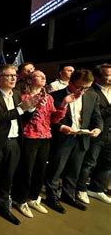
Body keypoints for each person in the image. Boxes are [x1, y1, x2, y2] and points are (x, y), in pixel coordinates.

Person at [0, 65, 39, 226]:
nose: (13, 78)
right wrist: (21, 109)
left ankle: (3, 206)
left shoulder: (18, 94)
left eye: (14, 75)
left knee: (8, 177)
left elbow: (22, 119)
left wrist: (31, 108)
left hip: (14, 142)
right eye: (8, 75)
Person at [12, 70, 70, 217]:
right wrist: (35, 106)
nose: (44, 78)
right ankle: (20, 199)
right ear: (29, 80)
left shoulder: (48, 97)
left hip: (45, 136)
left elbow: (54, 119)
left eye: (45, 76)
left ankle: (33, 198)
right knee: (26, 170)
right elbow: (21, 118)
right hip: (29, 136)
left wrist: (64, 104)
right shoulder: (23, 96)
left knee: (40, 170)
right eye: (39, 76)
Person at [45, 69, 103, 213]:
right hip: (63, 137)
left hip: (82, 137)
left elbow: (97, 116)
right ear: (71, 82)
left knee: (74, 170)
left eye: (87, 87)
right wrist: (61, 127)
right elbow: (48, 120)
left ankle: (68, 195)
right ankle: (51, 197)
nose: (83, 91)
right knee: (56, 169)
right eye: (80, 87)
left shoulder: (92, 95)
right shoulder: (55, 96)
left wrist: (98, 128)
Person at [76, 64, 111, 204]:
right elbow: (93, 115)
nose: (110, 78)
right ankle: (81, 188)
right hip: (96, 133)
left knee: (107, 163)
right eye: (108, 75)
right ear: (98, 77)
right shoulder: (90, 91)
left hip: (110, 133)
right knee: (89, 162)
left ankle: (97, 189)